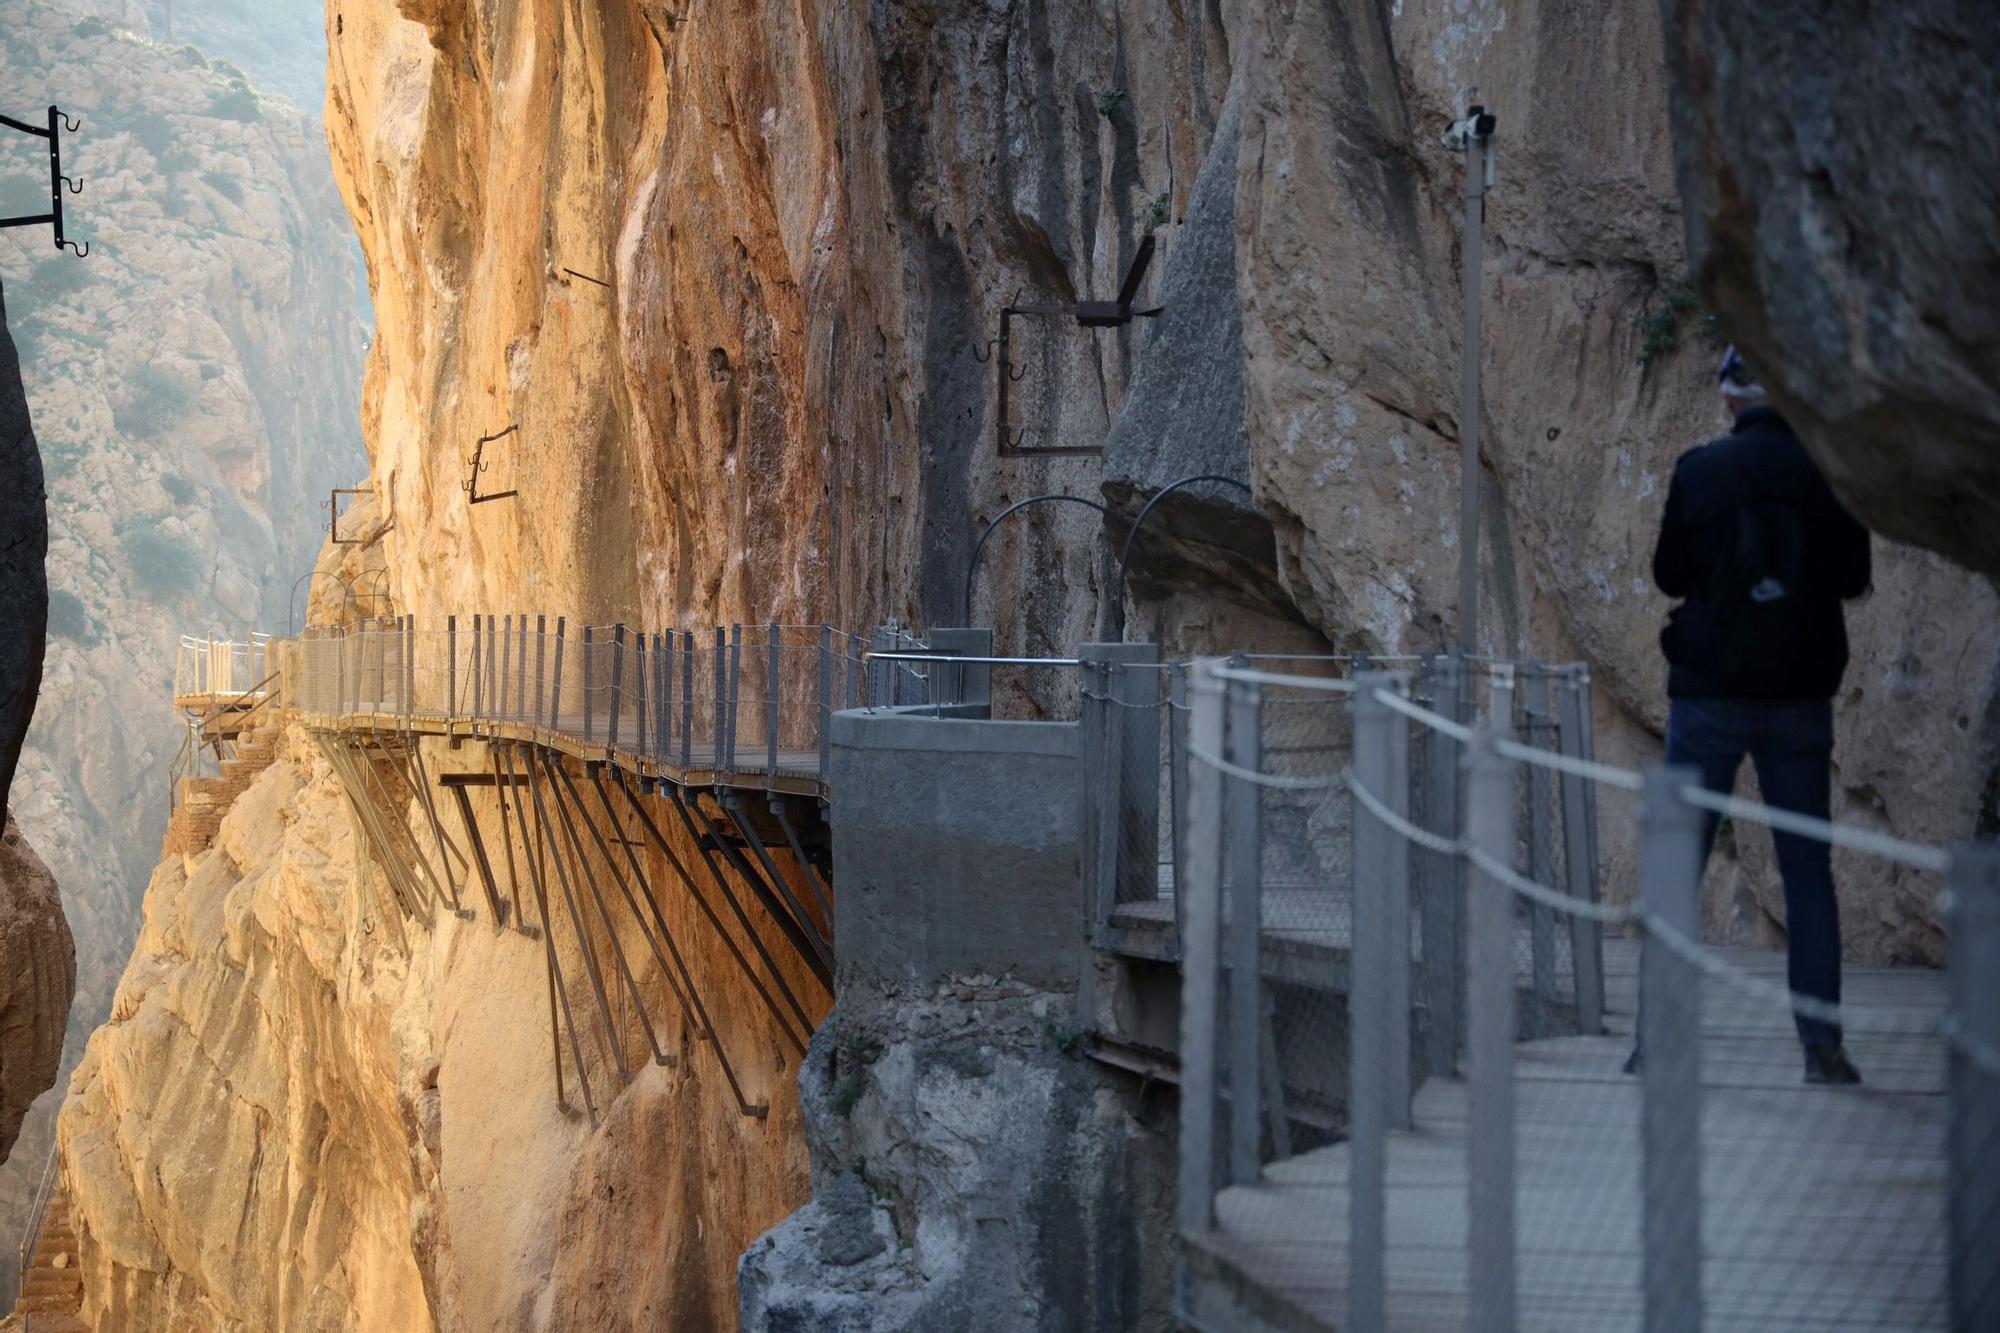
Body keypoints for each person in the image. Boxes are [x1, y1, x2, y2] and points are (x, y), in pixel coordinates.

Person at [1639, 345, 1872, 1085]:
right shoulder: (1825, 473)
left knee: (1679, 865)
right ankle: (1821, 1047)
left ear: (1729, 396)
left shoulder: (1699, 470)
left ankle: (1657, 1039)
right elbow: (1855, 578)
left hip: (1708, 697)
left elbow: (1668, 574)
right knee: (1808, 873)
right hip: (1800, 699)